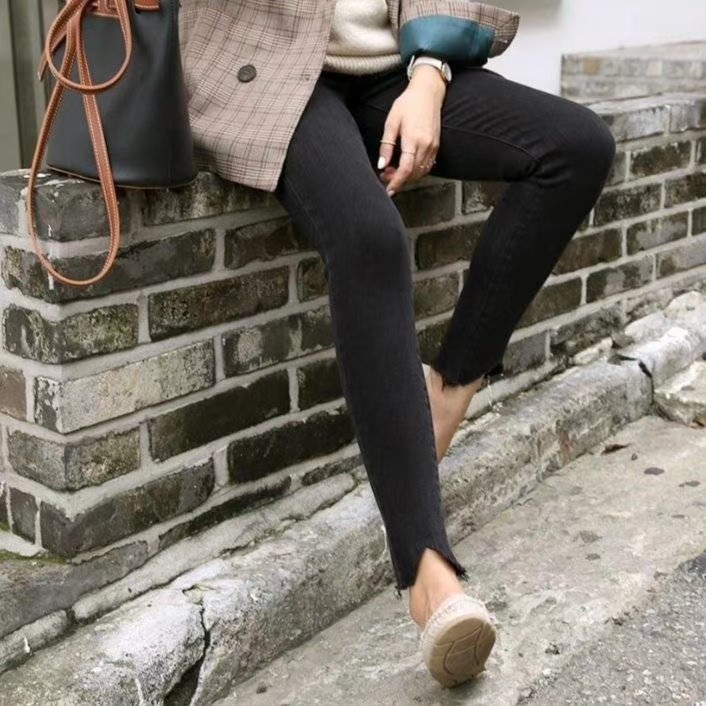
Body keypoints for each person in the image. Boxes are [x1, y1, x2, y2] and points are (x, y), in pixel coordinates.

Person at [179, 0, 616, 688]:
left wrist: (430, 74)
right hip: (272, 72)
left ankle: (448, 389)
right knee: (370, 238)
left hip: (397, 63)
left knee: (576, 145)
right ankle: (428, 573)